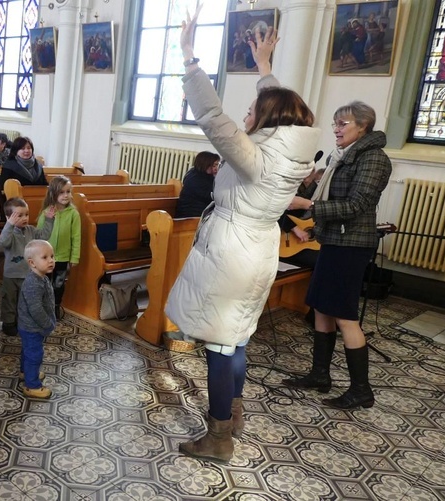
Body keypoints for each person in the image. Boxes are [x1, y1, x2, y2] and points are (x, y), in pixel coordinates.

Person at [164, 7, 320, 464]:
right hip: (257, 249)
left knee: (218, 343)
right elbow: (276, 105)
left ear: (267, 121)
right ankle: (233, 414)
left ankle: (217, 437)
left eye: (252, 112)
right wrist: (264, 69)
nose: (246, 116)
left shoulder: (256, 157)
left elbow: (212, 116)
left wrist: (190, 56)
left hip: (232, 252)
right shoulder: (288, 153)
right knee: (236, 338)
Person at [283, 102, 392, 410]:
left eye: (343, 123)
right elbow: (332, 199)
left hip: (352, 246)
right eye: (334, 123)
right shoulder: (339, 157)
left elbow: (357, 205)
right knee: (320, 308)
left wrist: (306, 205)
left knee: (345, 316)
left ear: (363, 126)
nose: (336, 129)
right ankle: (320, 374)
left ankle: (361, 390)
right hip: (334, 241)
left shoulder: (374, 158)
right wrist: (316, 228)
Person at [0, 197, 55, 336]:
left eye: (26, 214)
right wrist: (9, 225)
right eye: (19, 215)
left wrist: (49, 220)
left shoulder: (31, 230)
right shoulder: (9, 233)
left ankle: (20, 321)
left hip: (28, 275)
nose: (25, 218)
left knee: (23, 300)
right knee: (9, 299)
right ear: (9, 217)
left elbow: (44, 236)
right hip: (11, 275)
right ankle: (8, 323)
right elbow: (3, 242)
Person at [18, 239, 57, 399]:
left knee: (28, 350)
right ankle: (32, 385)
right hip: (33, 327)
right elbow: (36, 309)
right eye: (45, 257)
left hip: (32, 327)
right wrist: (47, 324)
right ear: (32, 263)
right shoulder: (33, 284)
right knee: (34, 354)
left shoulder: (41, 278)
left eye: (52, 256)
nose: (51, 260)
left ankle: (25, 372)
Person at [37, 176, 80, 321]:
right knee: (45, 283)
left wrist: (74, 257)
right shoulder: (47, 212)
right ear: (53, 194)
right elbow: (39, 233)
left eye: (68, 192)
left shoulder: (73, 213)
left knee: (59, 284)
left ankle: (55, 305)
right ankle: (44, 306)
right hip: (45, 257)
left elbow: (76, 236)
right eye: (61, 192)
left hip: (62, 256)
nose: (66, 195)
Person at [175, 151, 221, 218]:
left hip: (201, 213)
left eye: (217, 165)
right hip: (190, 215)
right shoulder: (194, 178)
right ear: (205, 164)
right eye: (214, 165)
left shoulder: (206, 176)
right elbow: (211, 197)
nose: (216, 168)